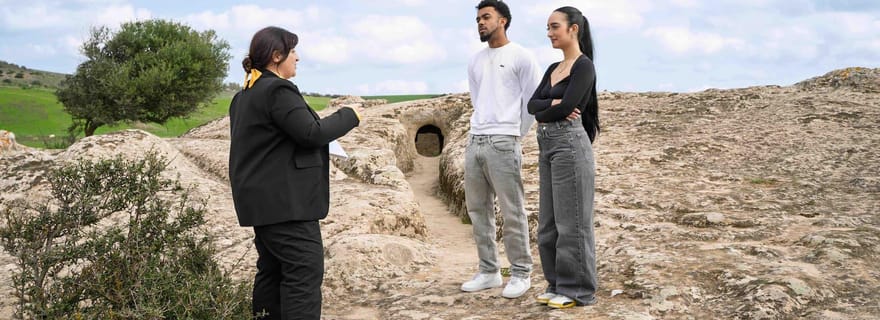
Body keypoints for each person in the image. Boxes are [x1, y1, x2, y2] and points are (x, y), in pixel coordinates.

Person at [228, 26, 360, 319]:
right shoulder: (277, 90)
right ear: (277, 56)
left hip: (263, 206)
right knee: (304, 274)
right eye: (293, 51)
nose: (297, 57)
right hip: (288, 207)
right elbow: (311, 133)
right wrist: (351, 114)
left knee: (272, 273)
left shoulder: (244, 96)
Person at [461, 0, 542, 299]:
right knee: (478, 210)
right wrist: (480, 129)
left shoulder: (521, 56)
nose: (480, 23)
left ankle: (521, 273)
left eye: (486, 17)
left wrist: (513, 135)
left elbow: (532, 103)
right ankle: (489, 271)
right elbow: (477, 99)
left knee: (512, 210)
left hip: (504, 141)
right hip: (475, 140)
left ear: (503, 20)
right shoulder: (475, 60)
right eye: (478, 19)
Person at [527, 6, 600, 309]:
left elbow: (566, 105)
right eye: (547, 27)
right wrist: (552, 103)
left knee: (573, 224)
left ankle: (577, 291)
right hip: (547, 143)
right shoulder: (552, 69)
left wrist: (552, 104)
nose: (549, 33)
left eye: (555, 26)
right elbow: (532, 105)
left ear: (574, 29)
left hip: (569, 143)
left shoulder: (583, 67)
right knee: (548, 224)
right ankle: (556, 283)